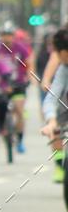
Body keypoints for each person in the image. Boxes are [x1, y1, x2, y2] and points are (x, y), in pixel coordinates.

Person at [0, 21, 34, 153]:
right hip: (1, 86)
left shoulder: (20, 48)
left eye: (9, 35)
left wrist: (29, 77)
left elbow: (29, 62)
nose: (7, 38)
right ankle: (1, 128)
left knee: (19, 109)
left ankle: (19, 139)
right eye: (4, 35)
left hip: (18, 84)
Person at [41, 27, 68, 185]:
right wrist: (51, 121)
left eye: (59, 54)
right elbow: (51, 97)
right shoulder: (64, 69)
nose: (57, 57)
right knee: (55, 129)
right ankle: (60, 165)